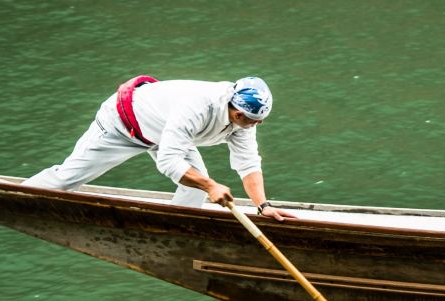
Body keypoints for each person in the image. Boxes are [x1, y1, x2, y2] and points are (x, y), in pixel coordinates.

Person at [23, 75, 295, 220]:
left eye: (256, 122)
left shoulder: (245, 123)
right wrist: (211, 185)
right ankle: (14, 196)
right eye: (243, 118)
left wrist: (263, 206)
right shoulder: (198, 105)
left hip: (165, 134)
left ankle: (177, 227)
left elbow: (248, 163)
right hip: (121, 125)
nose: (248, 126)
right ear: (232, 105)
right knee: (68, 179)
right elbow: (169, 161)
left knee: (193, 189)